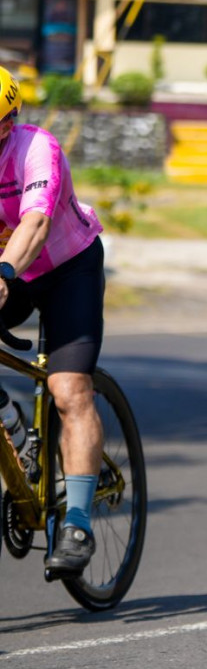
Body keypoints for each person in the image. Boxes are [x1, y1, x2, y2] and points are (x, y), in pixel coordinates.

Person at [0, 67, 108, 577]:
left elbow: (36, 221)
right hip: (12, 272)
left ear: (8, 122)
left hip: (67, 268)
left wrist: (4, 273)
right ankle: (10, 420)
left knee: (68, 389)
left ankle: (78, 523)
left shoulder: (36, 148)